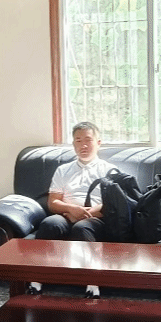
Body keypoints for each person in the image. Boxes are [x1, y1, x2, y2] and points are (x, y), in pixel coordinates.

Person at [30, 121, 117, 298]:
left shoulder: (110, 170)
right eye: (78, 141)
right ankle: (36, 280)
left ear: (98, 143)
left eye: (88, 140)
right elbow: (53, 202)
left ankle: (92, 284)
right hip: (66, 215)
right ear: (73, 144)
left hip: (96, 218)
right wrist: (72, 209)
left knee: (82, 228)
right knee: (49, 223)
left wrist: (87, 213)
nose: (83, 145)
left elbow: (114, 204)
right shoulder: (63, 170)